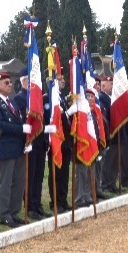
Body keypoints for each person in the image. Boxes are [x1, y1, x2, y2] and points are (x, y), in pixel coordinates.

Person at [0, 72, 31, 228]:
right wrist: (20, 129)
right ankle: (4, 214)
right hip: (5, 147)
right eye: (6, 82)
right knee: (6, 182)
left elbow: (18, 119)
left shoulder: (11, 102)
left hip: (18, 147)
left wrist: (26, 138)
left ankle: (14, 212)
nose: (10, 85)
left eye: (10, 82)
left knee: (18, 182)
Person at [13, 75, 52, 220]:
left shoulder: (38, 97)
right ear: (22, 81)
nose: (30, 84)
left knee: (39, 176)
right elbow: (24, 120)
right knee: (30, 176)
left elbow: (44, 117)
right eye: (27, 81)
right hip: (30, 142)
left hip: (40, 141)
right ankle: (29, 206)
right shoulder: (19, 99)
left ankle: (37, 204)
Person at [46, 73, 73, 213]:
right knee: (55, 173)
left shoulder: (61, 98)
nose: (63, 81)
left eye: (63, 78)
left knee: (64, 173)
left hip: (66, 141)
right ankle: (55, 202)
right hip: (56, 141)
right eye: (60, 79)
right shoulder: (48, 98)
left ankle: (63, 200)